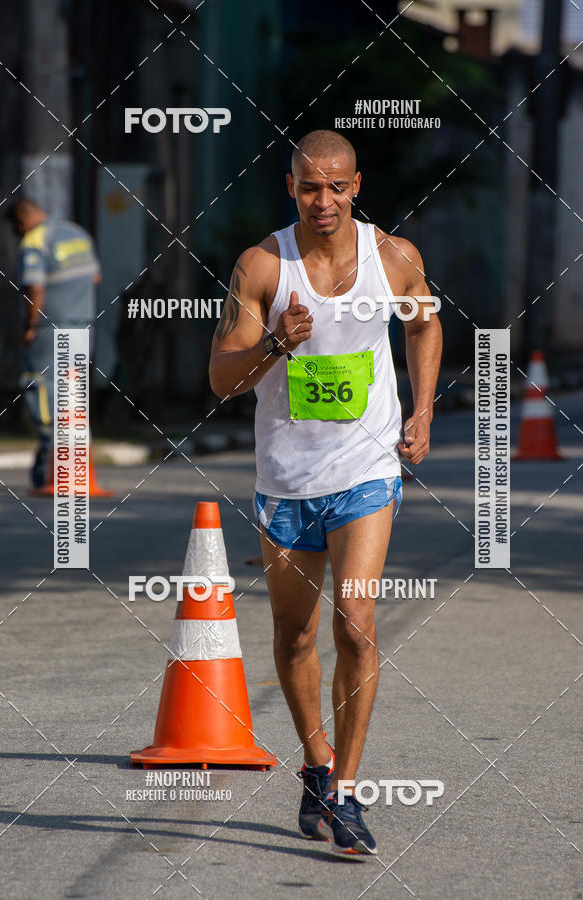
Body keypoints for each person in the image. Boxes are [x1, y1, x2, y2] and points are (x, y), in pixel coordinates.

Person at [209, 130, 442, 856]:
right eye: (311, 187)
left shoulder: (395, 258)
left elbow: (425, 324)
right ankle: (315, 765)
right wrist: (275, 342)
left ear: (356, 186)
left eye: (337, 187)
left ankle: (344, 791)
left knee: (356, 624)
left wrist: (423, 408)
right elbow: (221, 380)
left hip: (366, 470)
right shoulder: (262, 266)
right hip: (285, 478)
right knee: (297, 634)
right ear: (291, 189)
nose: (325, 200)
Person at [6, 197, 101, 487]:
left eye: (16, 229)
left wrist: (29, 326)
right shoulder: (77, 233)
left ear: (22, 221)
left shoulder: (35, 240)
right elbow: (95, 277)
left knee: (43, 391)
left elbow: (34, 287)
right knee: (74, 395)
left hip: (50, 329)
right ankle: (73, 468)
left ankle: (51, 463)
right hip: (82, 326)